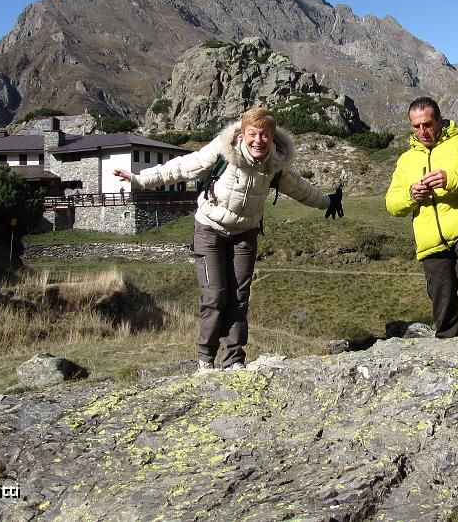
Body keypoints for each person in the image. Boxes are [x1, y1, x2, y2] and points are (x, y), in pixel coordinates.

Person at [114, 107, 344, 374]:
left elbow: (299, 188)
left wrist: (328, 201)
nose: (258, 140)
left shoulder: (275, 164)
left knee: (238, 298)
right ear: (243, 134)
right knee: (214, 296)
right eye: (253, 134)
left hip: (245, 235)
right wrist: (140, 179)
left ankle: (234, 360)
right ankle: (205, 361)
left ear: (273, 136)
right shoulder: (222, 152)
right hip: (210, 229)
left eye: (265, 135)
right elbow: (182, 168)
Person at [386, 97, 458, 338]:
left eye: (427, 124)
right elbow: (392, 205)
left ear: (439, 120)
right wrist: (411, 195)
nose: (422, 132)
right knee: (441, 298)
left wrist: (452, 179)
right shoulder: (406, 160)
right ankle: (447, 343)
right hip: (431, 241)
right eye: (416, 126)